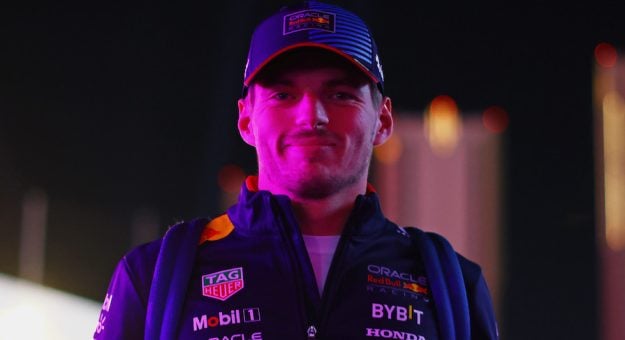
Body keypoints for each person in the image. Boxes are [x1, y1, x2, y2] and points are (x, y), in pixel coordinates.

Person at [94, 1, 499, 339]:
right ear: (246, 120)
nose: (312, 115)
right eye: (283, 94)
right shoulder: (153, 276)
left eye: (340, 94)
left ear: (383, 120)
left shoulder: (452, 286)